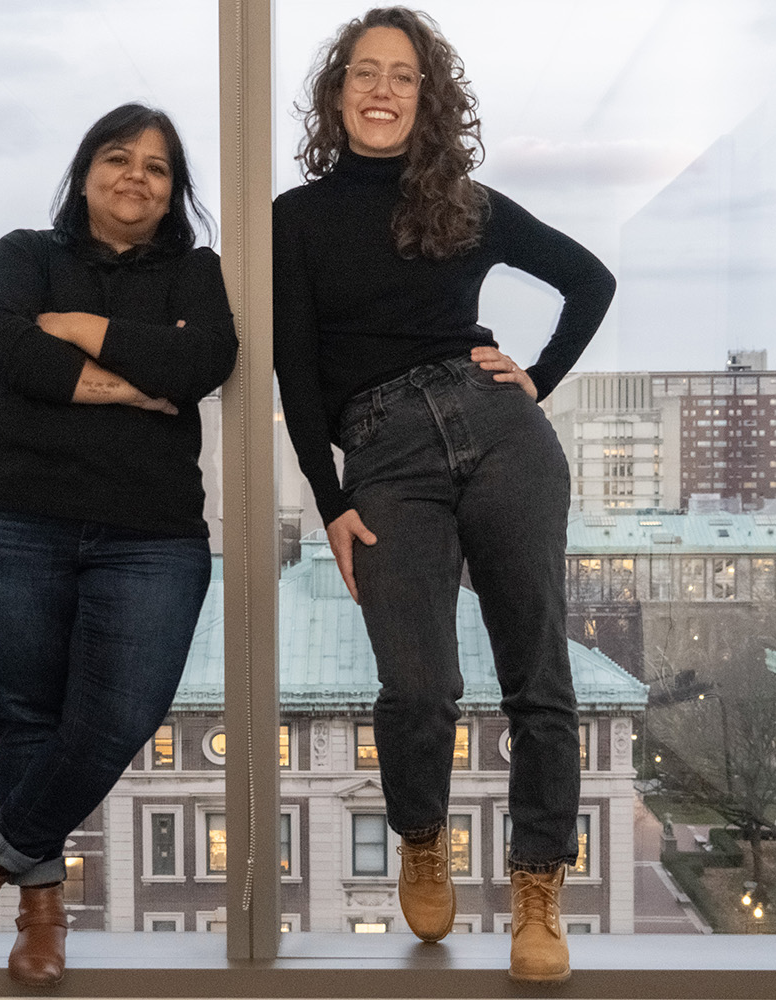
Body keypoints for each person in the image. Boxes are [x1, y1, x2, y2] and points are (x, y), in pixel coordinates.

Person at [274, 8, 614, 982]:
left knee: (538, 679)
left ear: (427, 99)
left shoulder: (463, 201)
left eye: (403, 76)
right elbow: (297, 373)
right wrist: (329, 498)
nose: (382, 89)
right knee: (419, 686)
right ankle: (422, 836)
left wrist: (537, 379)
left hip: (499, 432)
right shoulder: (292, 221)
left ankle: (536, 888)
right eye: (364, 73)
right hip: (382, 451)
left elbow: (589, 280)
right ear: (337, 94)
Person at [0, 103, 237, 986]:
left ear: (174, 191)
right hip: (9, 517)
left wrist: (69, 330)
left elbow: (200, 365)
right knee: (30, 718)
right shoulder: (25, 254)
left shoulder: (197, 271)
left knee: (117, 717)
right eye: (119, 158)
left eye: (157, 167)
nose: (136, 177)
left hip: (152, 534)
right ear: (85, 171)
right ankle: (40, 918)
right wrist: (126, 386)